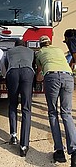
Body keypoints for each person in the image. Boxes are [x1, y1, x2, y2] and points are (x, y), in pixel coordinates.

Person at [36, 35, 76, 167]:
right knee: (66, 113)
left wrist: (38, 78)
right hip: (68, 77)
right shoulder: (58, 50)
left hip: (52, 77)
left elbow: (39, 74)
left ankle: (59, 151)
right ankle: (74, 151)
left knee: (53, 113)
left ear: (40, 45)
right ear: (50, 42)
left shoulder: (40, 53)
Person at [5, 39, 35, 157]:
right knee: (26, 108)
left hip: (12, 72)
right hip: (27, 72)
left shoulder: (9, 52)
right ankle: (24, 145)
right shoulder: (31, 51)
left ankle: (13, 135)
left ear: (15, 45)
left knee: (12, 104)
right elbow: (33, 65)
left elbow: (5, 66)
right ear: (25, 45)